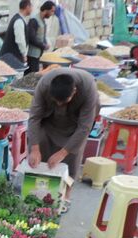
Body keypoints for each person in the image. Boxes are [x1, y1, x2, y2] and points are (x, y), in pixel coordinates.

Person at [27, 68, 100, 207]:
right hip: (49, 119)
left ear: (74, 92)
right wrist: (35, 148)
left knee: (71, 157)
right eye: (56, 101)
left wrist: (62, 153)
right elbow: (34, 118)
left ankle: (65, 195)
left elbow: (84, 127)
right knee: (39, 148)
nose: (60, 104)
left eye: (64, 101)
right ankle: (38, 193)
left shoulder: (88, 87)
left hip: (74, 124)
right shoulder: (44, 85)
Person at [26, 1, 56, 74]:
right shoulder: (34, 20)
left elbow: (41, 35)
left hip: (37, 54)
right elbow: (32, 38)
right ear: (46, 10)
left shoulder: (42, 20)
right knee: (31, 76)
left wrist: (45, 43)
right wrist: (43, 45)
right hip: (32, 55)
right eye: (52, 11)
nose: (52, 14)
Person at [0, 0, 33, 65]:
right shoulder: (19, 21)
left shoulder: (17, 18)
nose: (32, 9)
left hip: (11, 56)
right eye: (31, 7)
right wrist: (24, 54)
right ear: (27, 7)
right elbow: (20, 40)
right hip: (13, 56)